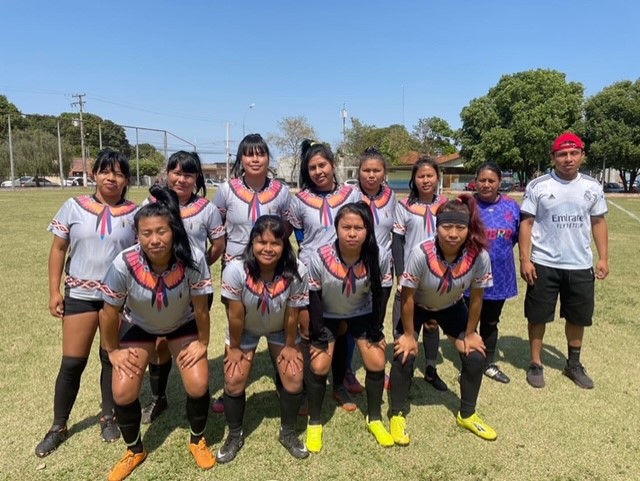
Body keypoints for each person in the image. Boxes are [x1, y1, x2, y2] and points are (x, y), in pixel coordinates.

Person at [100, 185, 215, 481]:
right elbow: (109, 313)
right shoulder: (124, 262)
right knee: (123, 391)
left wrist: (203, 343)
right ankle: (134, 449)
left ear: (173, 231)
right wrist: (113, 351)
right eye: (146, 233)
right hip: (140, 325)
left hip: (182, 324)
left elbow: (201, 309)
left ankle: (197, 439)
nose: (154, 240)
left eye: (161, 232)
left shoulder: (193, 259)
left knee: (199, 385)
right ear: (137, 235)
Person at [36, 149, 137, 458]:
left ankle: (109, 416)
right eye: (105, 171)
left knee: (110, 358)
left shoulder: (135, 212)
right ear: (94, 174)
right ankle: (59, 426)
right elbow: (58, 250)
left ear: (125, 179)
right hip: (79, 294)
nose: (111, 178)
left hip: (117, 299)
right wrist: (54, 291)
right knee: (72, 363)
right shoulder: (73, 207)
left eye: (118, 173)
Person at [390, 196, 497, 444]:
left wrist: (470, 334)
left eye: (460, 228)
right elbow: (406, 297)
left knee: (475, 356)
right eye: (446, 227)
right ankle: (396, 413)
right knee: (404, 355)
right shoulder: (420, 253)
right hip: (414, 305)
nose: (453, 234)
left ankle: (467, 414)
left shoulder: (479, 256)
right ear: (436, 227)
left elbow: (477, 298)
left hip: (450, 307)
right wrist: (408, 335)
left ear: (468, 229)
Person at [216, 215, 309, 464]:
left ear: (284, 245)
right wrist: (234, 348)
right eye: (261, 242)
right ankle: (235, 434)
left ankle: (288, 432)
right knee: (234, 379)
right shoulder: (236, 270)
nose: (268, 248)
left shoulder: (297, 270)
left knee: (293, 377)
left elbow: (293, 313)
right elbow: (235, 316)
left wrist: (290, 345)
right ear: (252, 243)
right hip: (245, 329)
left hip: (281, 328)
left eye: (275, 243)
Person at [141, 151, 225, 424]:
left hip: (194, 290)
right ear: (167, 174)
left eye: (188, 174)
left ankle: (198, 393)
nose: (181, 179)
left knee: (193, 341)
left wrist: (197, 269)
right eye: (176, 172)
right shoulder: (151, 204)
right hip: (158, 287)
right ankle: (158, 397)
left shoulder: (207, 208)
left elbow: (218, 245)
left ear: (197, 178)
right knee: (159, 343)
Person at [520, 132, 609, 389]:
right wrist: (525, 259)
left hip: (579, 264)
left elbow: (598, 222)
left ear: (582, 155)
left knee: (577, 317)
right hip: (544, 262)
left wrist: (603, 257)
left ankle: (573, 364)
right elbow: (526, 223)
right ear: (553, 157)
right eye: (562, 154)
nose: (568, 159)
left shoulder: (592, 187)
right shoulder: (539, 186)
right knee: (537, 316)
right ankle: (536, 363)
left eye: (573, 153)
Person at [212, 133, 293, 413]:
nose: (255, 159)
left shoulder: (282, 192)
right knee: (237, 324)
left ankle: (283, 380)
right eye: (249, 154)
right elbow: (217, 225)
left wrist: (272, 252)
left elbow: (287, 227)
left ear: (268, 158)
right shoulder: (226, 190)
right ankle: (231, 388)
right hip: (236, 270)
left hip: (272, 271)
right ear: (241, 159)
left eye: (260, 154)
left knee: (276, 323)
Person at [305, 202, 393, 452]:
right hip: (328, 315)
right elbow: (314, 297)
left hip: (361, 313)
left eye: (359, 227)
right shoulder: (320, 255)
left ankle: (374, 418)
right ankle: (315, 421)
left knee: (377, 361)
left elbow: (381, 294)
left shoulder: (380, 255)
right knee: (320, 364)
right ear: (337, 228)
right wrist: (319, 333)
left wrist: (376, 329)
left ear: (368, 230)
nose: (352, 233)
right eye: (346, 227)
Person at [288, 139, 361, 411]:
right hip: (310, 272)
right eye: (312, 167)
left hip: (344, 273)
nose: (318, 171)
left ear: (332, 165)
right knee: (309, 328)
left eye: (322, 165)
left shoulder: (351, 195)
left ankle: (339, 386)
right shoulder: (300, 201)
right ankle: (308, 388)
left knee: (341, 328)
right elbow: (299, 236)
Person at [341, 148, 397, 394]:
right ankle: (346, 370)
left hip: (382, 269)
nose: (371, 175)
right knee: (349, 320)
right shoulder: (349, 195)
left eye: (376, 170)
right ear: (359, 171)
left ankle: (377, 367)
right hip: (353, 267)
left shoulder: (392, 196)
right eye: (366, 170)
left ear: (384, 173)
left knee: (376, 319)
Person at [392, 156, 448, 391]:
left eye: (430, 175)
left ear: (437, 178)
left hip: (436, 274)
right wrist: (400, 276)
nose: (425, 180)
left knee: (432, 324)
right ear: (414, 179)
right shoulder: (403, 206)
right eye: (421, 176)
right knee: (403, 323)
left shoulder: (446, 205)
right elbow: (397, 242)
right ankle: (402, 369)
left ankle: (431, 369)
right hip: (411, 275)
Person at [465, 162, 520, 384]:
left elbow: (515, 238)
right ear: (476, 181)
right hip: (469, 274)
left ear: (499, 182)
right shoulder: (466, 205)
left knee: (491, 320)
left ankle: (487, 363)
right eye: (482, 180)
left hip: (501, 275)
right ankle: (469, 360)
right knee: (468, 319)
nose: (486, 184)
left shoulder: (512, 207)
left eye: (491, 180)